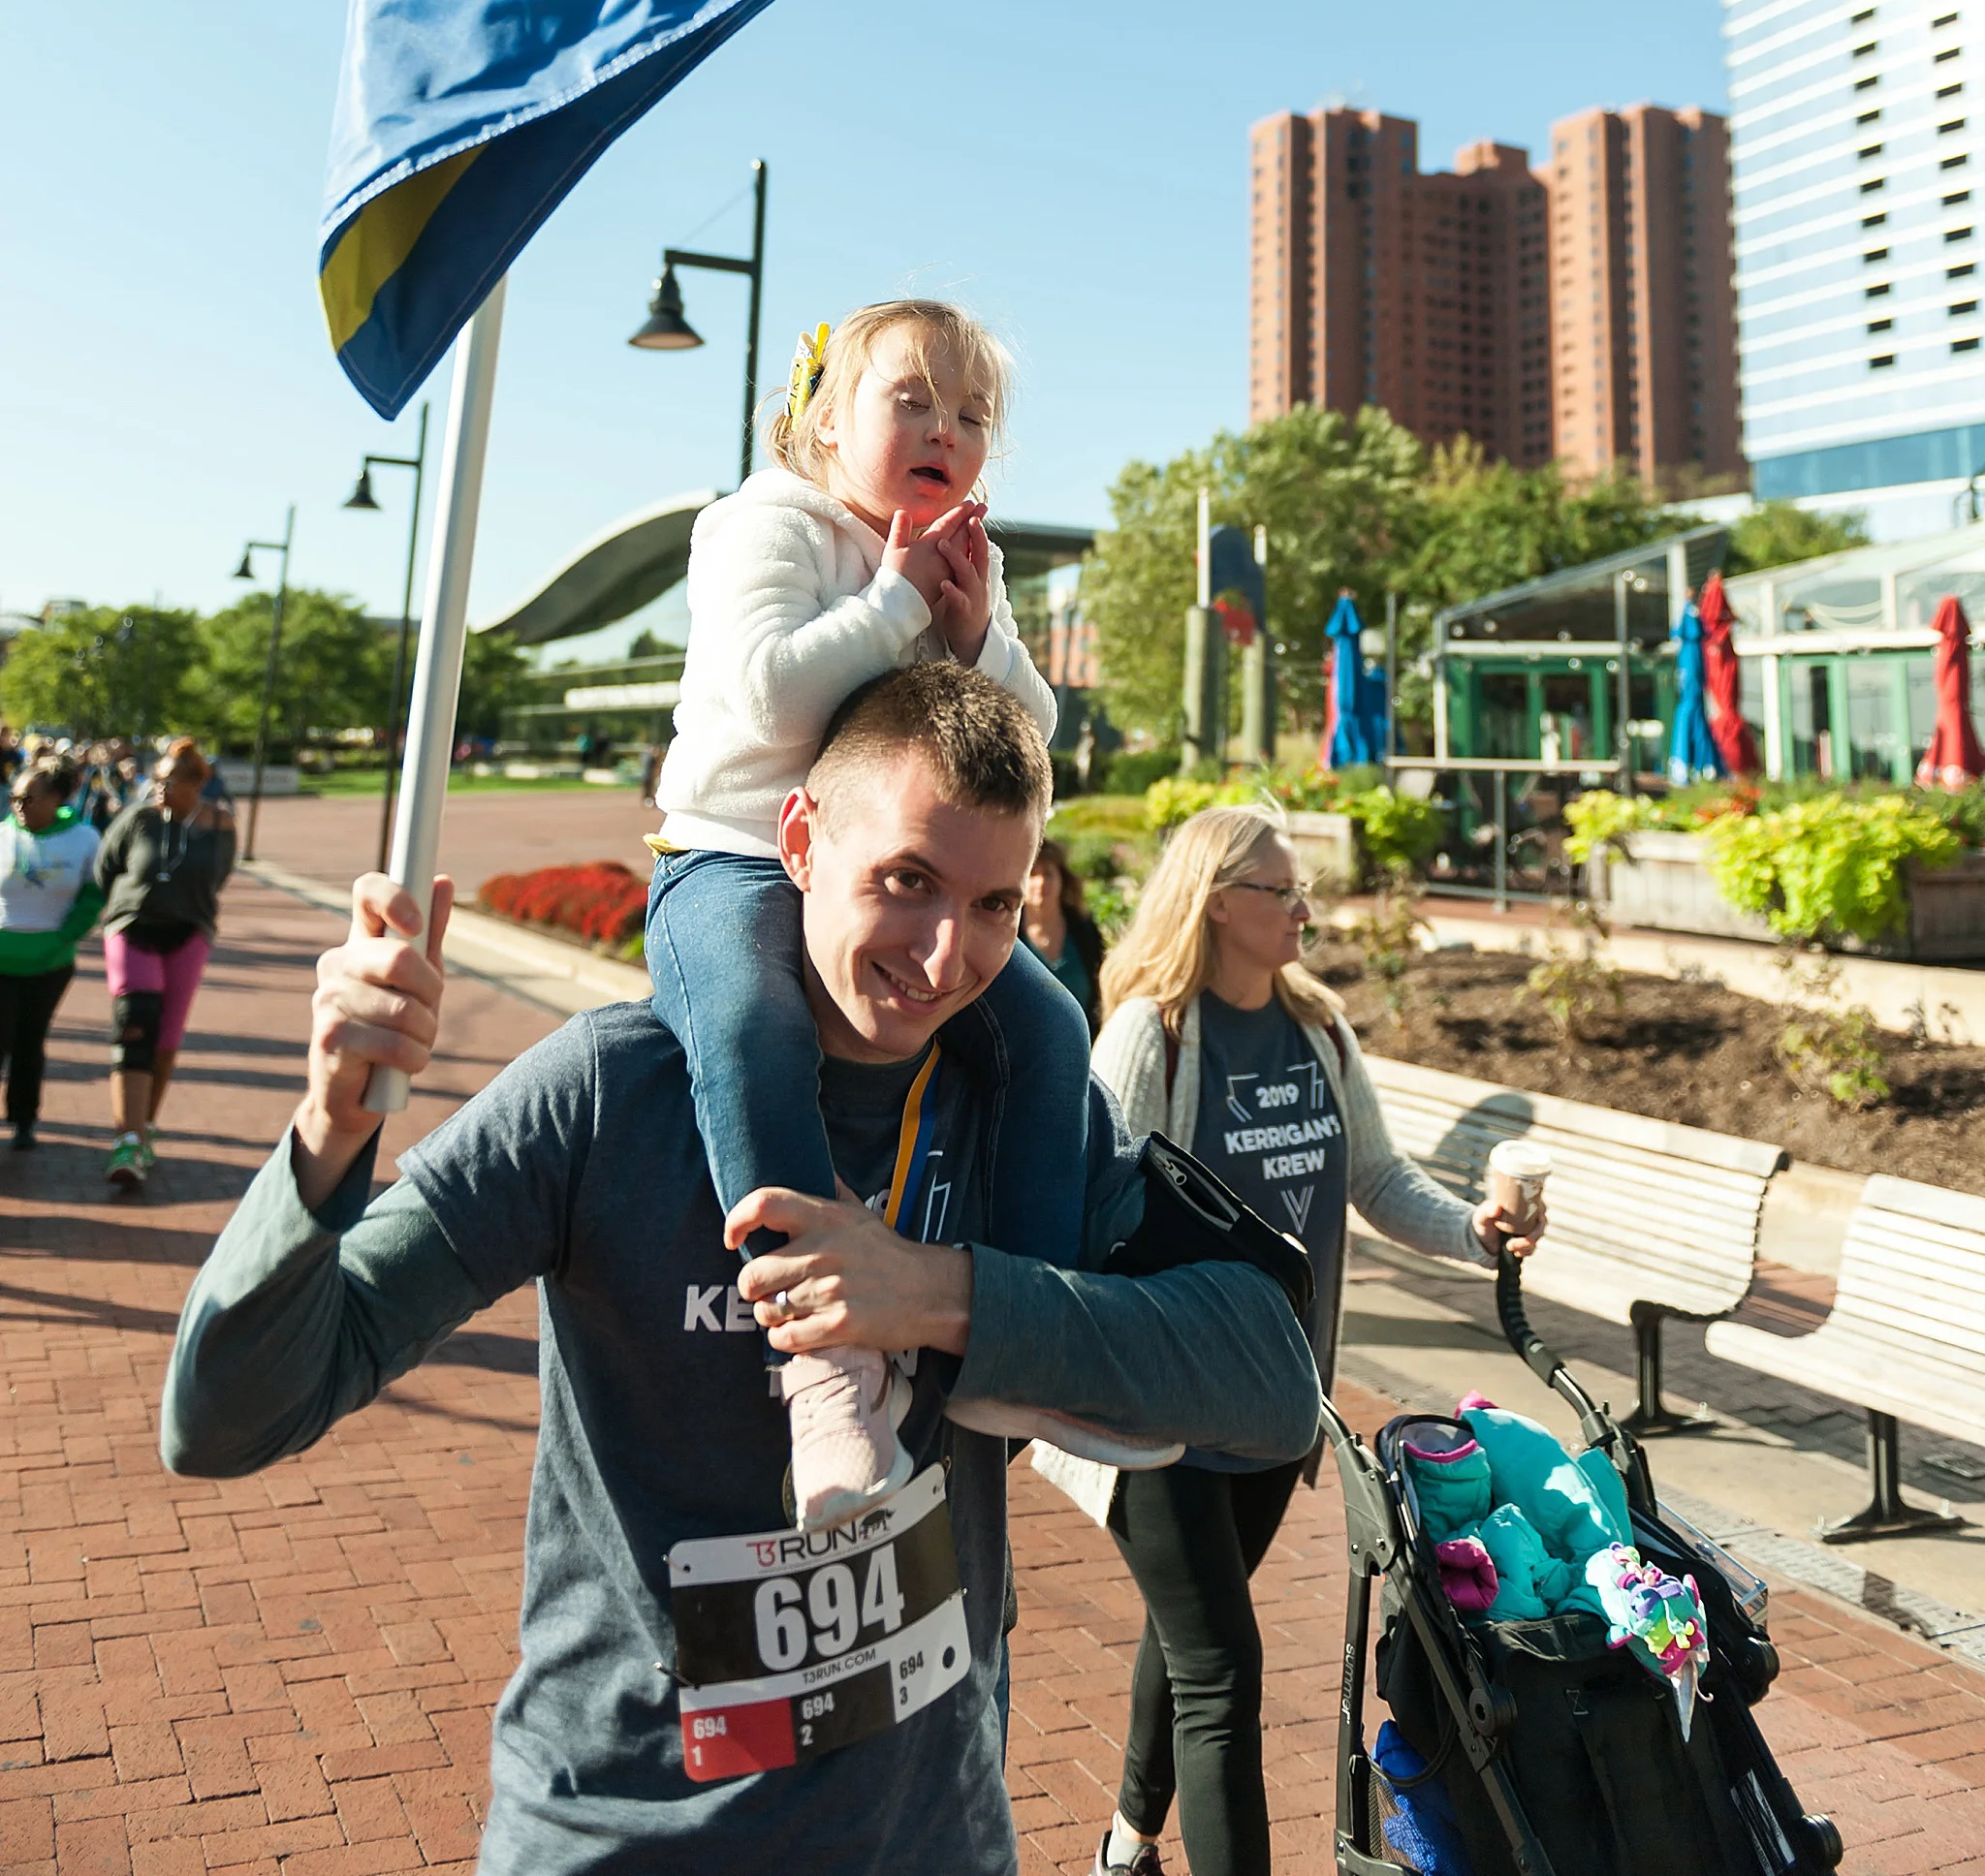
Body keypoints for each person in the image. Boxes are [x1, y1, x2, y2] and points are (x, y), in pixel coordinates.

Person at [162, 664, 1322, 1876]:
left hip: (929, 1834)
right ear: (800, 838)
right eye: (907, 881)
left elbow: (1267, 1385)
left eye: (991, 905)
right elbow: (226, 1416)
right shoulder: (608, 1091)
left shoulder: (1020, 1109)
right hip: (626, 1836)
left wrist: (935, 1291)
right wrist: (328, 1133)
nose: (942, 954)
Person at [647, 301, 1102, 1525]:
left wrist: (969, 633)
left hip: (895, 883)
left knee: (1051, 1032)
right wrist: (901, 597)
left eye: (971, 415)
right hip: (739, 858)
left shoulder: (964, 552)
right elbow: (766, 704)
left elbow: (1033, 732)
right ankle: (826, 1368)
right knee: (750, 1029)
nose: (944, 430)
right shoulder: (764, 522)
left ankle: (1025, 1325)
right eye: (912, 400)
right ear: (820, 421)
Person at [1038, 804, 1545, 1876]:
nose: (1303, 906)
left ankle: (1123, 1842)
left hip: (1274, 1404)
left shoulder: (1316, 1026)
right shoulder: (1151, 1033)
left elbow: (1373, 1176)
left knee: (1191, 1642)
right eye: (1282, 889)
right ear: (1219, 900)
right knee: (1223, 1666)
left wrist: (1473, 1228)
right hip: (1162, 1404)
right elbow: (1086, 1206)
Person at [94, 736, 236, 1194]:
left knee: (167, 1039)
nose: (158, 787)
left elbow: (219, 877)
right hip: (133, 927)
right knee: (136, 1024)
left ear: (196, 784)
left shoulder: (220, 825)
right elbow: (105, 869)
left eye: (169, 780)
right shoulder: (138, 818)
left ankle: (145, 1127)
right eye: (155, 779)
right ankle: (127, 1139)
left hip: (189, 933)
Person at [0, 761, 105, 1149]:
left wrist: (64, 936)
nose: (19, 806)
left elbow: (93, 896)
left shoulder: (84, 840)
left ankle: (24, 1120)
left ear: (57, 799)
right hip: (1, 956)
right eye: (14, 797)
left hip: (50, 961)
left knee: (30, 1040)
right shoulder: (2, 835)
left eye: (28, 798)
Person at [1022, 836, 1106, 1039]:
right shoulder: (1008, 935)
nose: (1040, 883)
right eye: (1033, 874)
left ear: (1062, 880)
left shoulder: (1083, 930)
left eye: (1048, 874)